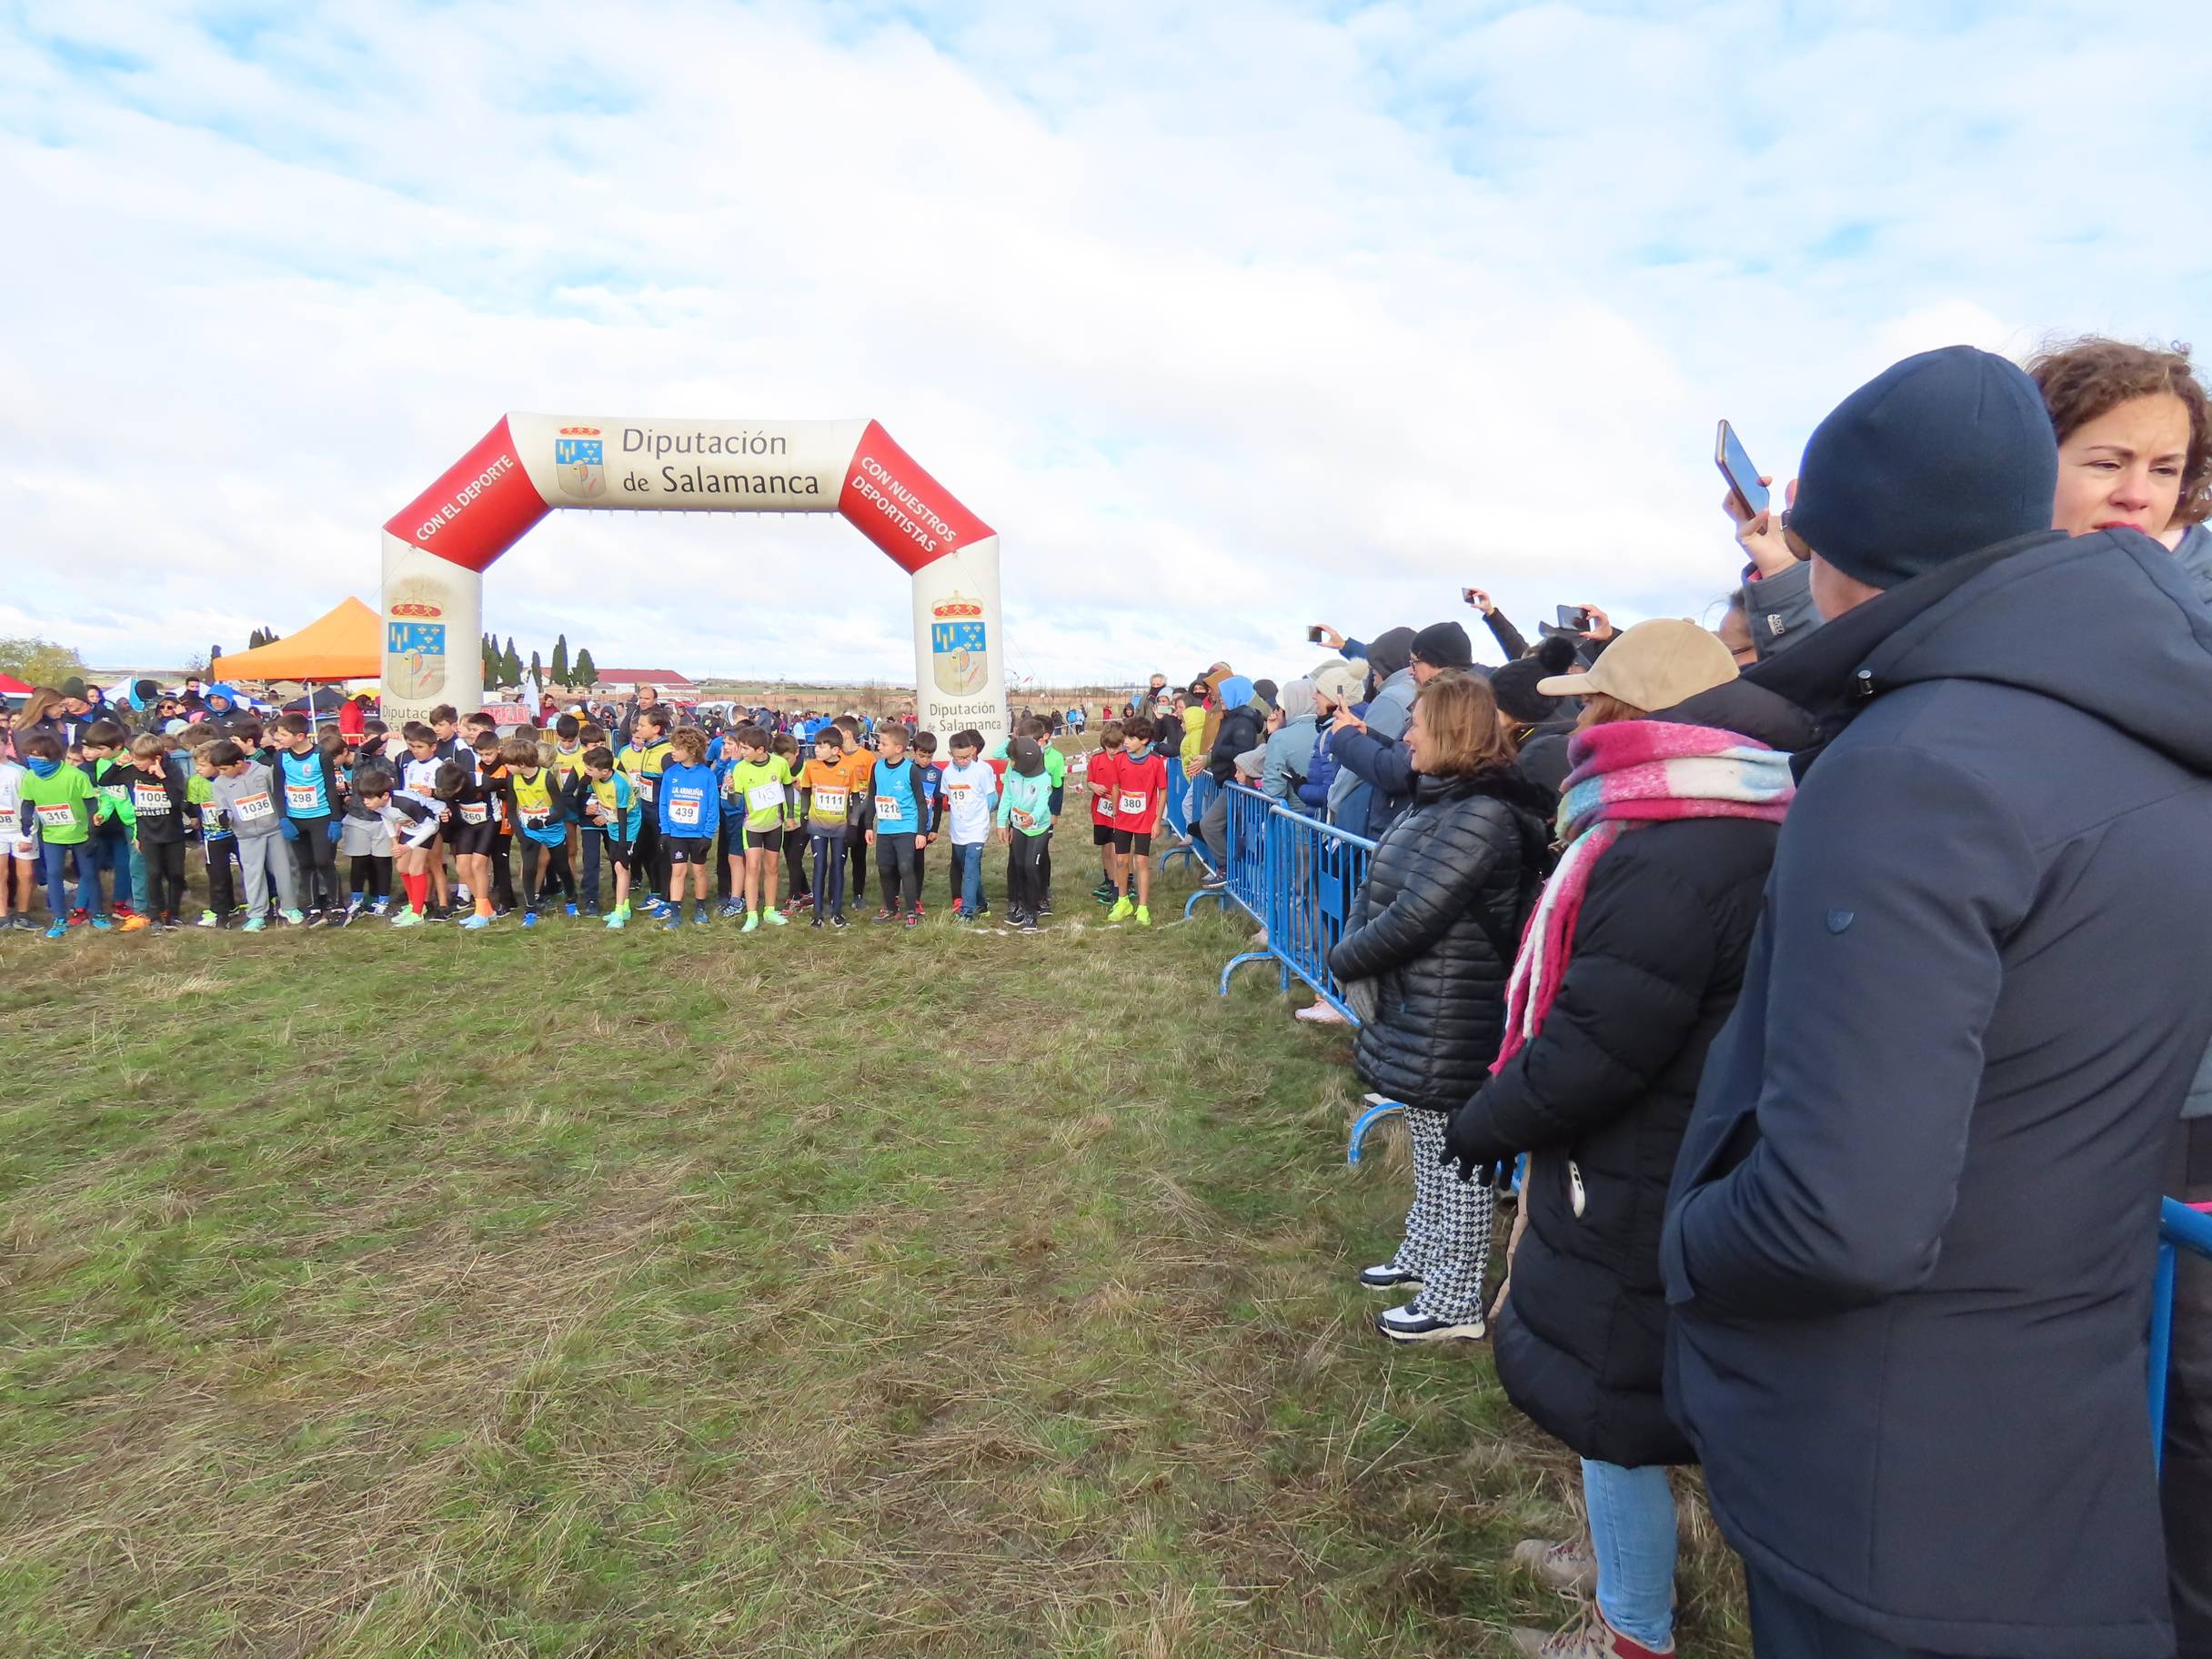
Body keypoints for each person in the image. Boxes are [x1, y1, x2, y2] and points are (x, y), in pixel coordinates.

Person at [1662, 346, 2212, 1659]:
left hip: (1880, 1487)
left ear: (1840, 553)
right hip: (2051, 1457)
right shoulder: (2148, 730)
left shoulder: (1916, 767)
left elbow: (1839, 1217)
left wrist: (1684, 1247)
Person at [1430, 623, 1809, 1659]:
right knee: (1617, 1395)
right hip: (1675, 1153)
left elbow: (1600, 1040)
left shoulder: (1670, 852)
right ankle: (1611, 1566)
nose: (1570, 718)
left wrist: (1484, 1123)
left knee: (1609, 1397)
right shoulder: (1741, 817)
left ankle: (1628, 1628)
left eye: (1588, 702)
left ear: (1628, 719)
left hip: (1638, 1165)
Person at [2025, 333, 2212, 1659]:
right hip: (2055, 1068)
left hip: (2185, 1082)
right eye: (2106, 461)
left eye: (2167, 466)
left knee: (2190, 1389)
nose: (2139, 491)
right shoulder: (2006, 612)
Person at [1325, 670, 1550, 1342]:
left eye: (1416, 721)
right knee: (1429, 1142)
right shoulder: (1440, 802)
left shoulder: (1479, 814)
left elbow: (1418, 913)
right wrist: (1357, 941)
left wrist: (1345, 958)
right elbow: (1381, 892)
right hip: (1424, 1004)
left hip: (1455, 1009)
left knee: (1458, 1156)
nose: (1406, 734)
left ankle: (1453, 1301)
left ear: (1451, 730)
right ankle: (1424, 1256)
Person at [15, 729, 106, 937]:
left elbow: (92, 804)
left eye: (37, 755)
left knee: (89, 873)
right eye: (30, 755)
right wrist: (25, 831)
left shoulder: (75, 775)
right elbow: (27, 805)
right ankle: (59, 919)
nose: (33, 760)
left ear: (51, 754)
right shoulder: (30, 777)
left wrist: (93, 833)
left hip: (80, 833)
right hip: (52, 835)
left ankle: (98, 914)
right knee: (53, 875)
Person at [206, 737, 301, 931]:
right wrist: (224, 818)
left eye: (224, 769)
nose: (221, 773)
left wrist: (285, 820)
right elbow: (222, 808)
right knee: (253, 874)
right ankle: (257, 914)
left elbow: (279, 796)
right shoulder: (220, 783)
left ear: (238, 763)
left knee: (284, 870)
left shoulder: (265, 772)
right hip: (246, 836)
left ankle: (290, 907)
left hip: (274, 830)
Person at [269, 712, 345, 923]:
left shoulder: (321, 755)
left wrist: (335, 819)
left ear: (300, 736)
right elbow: (279, 789)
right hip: (295, 818)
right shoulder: (281, 756)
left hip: (320, 817)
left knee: (323, 860)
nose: (279, 738)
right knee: (306, 863)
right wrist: (283, 818)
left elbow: (331, 788)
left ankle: (337, 903)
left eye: (283, 734)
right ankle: (313, 906)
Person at [722, 723, 791, 932]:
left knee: (771, 867)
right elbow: (735, 802)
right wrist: (732, 788)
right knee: (752, 867)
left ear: (760, 750)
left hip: (774, 825)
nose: (741, 752)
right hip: (752, 825)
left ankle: (769, 911)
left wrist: (791, 816)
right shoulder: (740, 768)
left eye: (745, 749)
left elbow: (787, 786)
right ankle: (752, 914)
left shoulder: (779, 764)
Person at [1197, 677, 1267, 881]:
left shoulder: (1243, 720)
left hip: (1237, 784)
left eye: (1224, 696)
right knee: (1227, 829)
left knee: (1209, 825)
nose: (1221, 701)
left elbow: (1242, 751)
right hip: (1231, 782)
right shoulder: (1234, 717)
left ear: (1236, 695)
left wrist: (1218, 749)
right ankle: (1232, 872)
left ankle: (1228, 870)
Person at [76, 719, 145, 929]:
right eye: (90, 748)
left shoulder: (135, 761)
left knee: (135, 865)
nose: (94, 752)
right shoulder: (102, 763)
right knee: (129, 864)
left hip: (139, 820)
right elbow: (108, 794)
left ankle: (141, 910)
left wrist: (139, 827)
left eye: (99, 748)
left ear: (117, 747)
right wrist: (102, 814)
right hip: (121, 821)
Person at [500, 737, 574, 925]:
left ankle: (572, 900)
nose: (506, 767)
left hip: (552, 830)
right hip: (529, 831)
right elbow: (512, 810)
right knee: (530, 868)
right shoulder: (512, 779)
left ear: (522, 763)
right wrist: (521, 834)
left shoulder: (547, 778)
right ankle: (530, 910)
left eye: (509, 763)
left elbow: (560, 809)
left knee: (563, 868)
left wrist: (543, 822)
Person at [126, 731, 194, 930]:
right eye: (134, 758)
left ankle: (173, 913)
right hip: (148, 833)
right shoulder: (133, 772)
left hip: (172, 832)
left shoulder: (173, 772)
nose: (136, 763)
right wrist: (117, 763)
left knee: (175, 874)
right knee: (153, 873)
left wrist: (162, 778)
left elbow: (175, 800)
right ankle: (155, 914)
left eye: (140, 759)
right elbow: (105, 780)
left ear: (156, 759)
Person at [655, 726, 720, 930]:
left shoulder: (706, 775)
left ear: (691, 750)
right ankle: (675, 913)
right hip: (676, 833)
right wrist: (665, 830)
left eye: (677, 748)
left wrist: (708, 834)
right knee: (678, 871)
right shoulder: (670, 774)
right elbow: (664, 803)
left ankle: (700, 908)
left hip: (699, 834)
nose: (672, 752)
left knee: (699, 870)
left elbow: (712, 805)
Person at [865, 724, 930, 926]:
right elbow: (872, 797)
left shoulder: (910, 770)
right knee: (884, 868)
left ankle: (911, 911)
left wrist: (921, 832)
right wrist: (869, 825)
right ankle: (891, 909)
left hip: (907, 828)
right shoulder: (877, 767)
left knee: (905, 867)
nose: (879, 747)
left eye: (884, 744)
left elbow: (921, 803)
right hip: (885, 828)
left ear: (899, 748)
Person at [1106, 715, 1166, 927]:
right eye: (1126, 738)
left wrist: (1157, 820)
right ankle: (1123, 901)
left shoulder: (1155, 763)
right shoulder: (1120, 759)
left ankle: (1142, 906)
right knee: (1121, 860)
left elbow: (1162, 790)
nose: (1125, 742)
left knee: (1141, 861)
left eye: (1131, 738)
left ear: (1144, 740)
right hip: (1122, 819)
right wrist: (1114, 809)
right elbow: (1115, 785)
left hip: (1144, 820)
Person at [996, 736, 1053, 933]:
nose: (1011, 763)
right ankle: (1020, 905)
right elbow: (1007, 797)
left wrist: (1033, 817)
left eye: (1014, 759)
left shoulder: (1044, 778)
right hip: (1019, 828)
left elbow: (1042, 803)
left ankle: (1031, 911)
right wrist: (1001, 822)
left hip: (1038, 828)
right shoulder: (1013, 771)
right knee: (1019, 866)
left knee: (1031, 866)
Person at [578, 746, 639, 929]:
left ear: (604, 771)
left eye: (590, 769)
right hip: (612, 825)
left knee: (620, 866)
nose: (586, 772)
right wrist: (584, 781)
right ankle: (626, 907)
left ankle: (619, 912)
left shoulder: (619, 784)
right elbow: (580, 794)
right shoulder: (594, 779)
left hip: (627, 827)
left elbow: (622, 814)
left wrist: (622, 842)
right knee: (619, 865)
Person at [940, 729, 997, 921]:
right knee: (966, 868)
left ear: (972, 751)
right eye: (959, 758)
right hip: (958, 829)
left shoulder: (982, 771)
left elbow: (992, 798)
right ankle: (982, 904)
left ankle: (967, 912)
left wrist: (982, 816)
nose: (964, 761)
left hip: (977, 828)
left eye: (967, 757)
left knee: (972, 865)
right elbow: (949, 798)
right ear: (951, 754)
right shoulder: (947, 773)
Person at [1085, 720, 1126, 905]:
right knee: (1106, 849)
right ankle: (1110, 881)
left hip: (1119, 813)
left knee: (1117, 850)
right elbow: (1089, 781)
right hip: (1101, 813)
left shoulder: (1125, 761)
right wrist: (1094, 787)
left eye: (1116, 746)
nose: (1112, 750)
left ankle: (1119, 887)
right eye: (1109, 746)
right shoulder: (1096, 760)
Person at [1260, 679, 1319, 808]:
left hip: (1292, 821)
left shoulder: (1280, 739)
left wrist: (1273, 735)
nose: (1275, 712)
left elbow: (1273, 791)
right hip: (1325, 822)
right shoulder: (1330, 730)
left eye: (1278, 708)